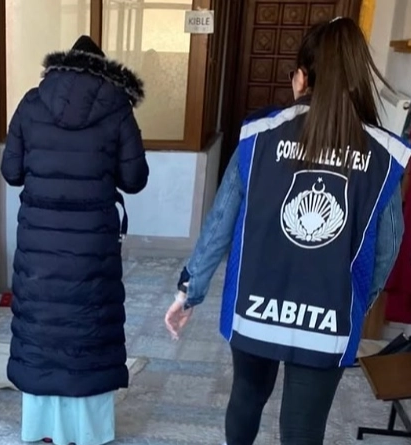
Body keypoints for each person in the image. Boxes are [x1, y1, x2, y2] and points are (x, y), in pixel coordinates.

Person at [164, 18, 409, 445]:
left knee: (246, 397)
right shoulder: (383, 154)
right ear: (357, 80)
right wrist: (357, 301)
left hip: (256, 305)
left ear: (301, 77)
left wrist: (190, 290)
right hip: (330, 314)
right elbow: (389, 245)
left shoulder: (259, 135)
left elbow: (221, 219)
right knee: (302, 430)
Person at [1, 35, 149, 445]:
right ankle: (87, 432)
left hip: (39, 242)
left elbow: (11, 172)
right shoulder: (116, 106)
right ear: (101, 68)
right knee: (88, 325)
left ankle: (43, 428)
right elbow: (135, 178)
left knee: (43, 326)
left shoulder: (32, 103)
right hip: (92, 244)